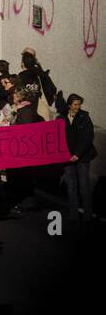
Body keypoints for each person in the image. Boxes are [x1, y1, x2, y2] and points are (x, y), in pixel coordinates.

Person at [56, 92, 96, 221]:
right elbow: (56, 137)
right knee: (71, 186)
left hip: (82, 157)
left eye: (79, 104)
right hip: (67, 158)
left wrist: (77, 155)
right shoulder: (61, 118)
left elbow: (87, 137)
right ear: (69, 105)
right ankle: (73, 213)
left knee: (84, 186)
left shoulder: (84, 117)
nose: (77, 107)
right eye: (75, 104)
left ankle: (87, 214)